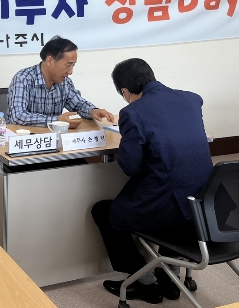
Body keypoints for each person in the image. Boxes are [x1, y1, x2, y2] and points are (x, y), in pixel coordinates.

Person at [91, 58, 213, 304]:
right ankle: (171, 276)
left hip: (171, 208)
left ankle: (145, 282)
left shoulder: (132, 112)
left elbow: (131, 167)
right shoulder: (191, 99)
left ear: (125, 92)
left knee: (105, 212)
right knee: (174, 194)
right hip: (206, 207)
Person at [7, 36, 114, 127]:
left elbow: (78, 104)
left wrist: (93, 111)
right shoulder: (23, 79)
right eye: (68, 65)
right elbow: (17, 116)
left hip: (55, 138)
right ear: (50, 61)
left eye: (73, 65)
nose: (70, 72)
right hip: (26, 139)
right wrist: (57, 120)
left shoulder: (65, 82)